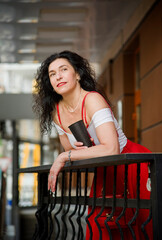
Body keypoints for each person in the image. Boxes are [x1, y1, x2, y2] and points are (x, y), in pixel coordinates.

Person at [33, 50, 153, 239]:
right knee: (100, 228)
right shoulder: (56, 112)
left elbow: (111, 148)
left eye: (63, 70)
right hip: (105, 171)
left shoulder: (93, 99)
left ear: (78, 74)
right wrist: (71, 153)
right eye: (52, 74)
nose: (58, 76)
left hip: (131, 164)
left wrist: (65, 157)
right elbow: (71, 150)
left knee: (143, 226)